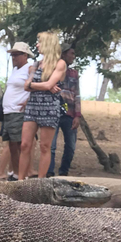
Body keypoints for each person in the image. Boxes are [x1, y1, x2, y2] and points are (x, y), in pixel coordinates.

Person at [19, 31, 66, 181]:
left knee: (45, 147)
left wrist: (40, 85)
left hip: (49, 108)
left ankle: (40, 182)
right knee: (25, 145)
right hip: (32, 106)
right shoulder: (35, 64)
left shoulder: (60, 63)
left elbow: (48, 84)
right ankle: (20, 181)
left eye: (39, 42)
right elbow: (26, 86)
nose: (37, 45)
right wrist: (44, 86)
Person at [47, 44, 82, 177]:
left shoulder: (74, 73)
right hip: (53, 112)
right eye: (71, 53)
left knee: (71, 146)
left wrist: (77, 115)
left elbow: (77, 94)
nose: (73, 56)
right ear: (63, 54)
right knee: (51, 146)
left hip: (69, 113)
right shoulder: (52, 70)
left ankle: (64, 172)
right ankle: (49, 172)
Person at [1, 42, 33, 180]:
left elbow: (34, 86)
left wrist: (28, 101)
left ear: (24, 55)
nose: (13, 57)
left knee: (20, 144)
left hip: (18, 112)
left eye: (16, 54)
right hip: (8, 111)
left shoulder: (29, 68)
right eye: (12, 55)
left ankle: (23, 175)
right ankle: (14, 173)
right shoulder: (15, 70)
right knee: (12, 144)